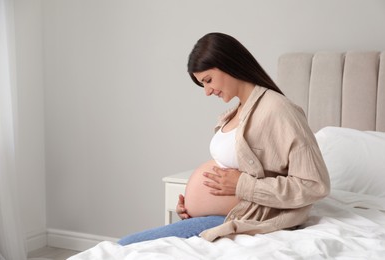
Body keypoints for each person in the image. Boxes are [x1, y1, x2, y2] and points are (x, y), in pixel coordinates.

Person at [118, 32, 330, 245]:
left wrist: (242, 185)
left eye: (208, 80)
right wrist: (193, 206)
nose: (207, 92)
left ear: (228, 64)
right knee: (126, 247)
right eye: (202, 84)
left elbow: (315, 185)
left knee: (126, 246)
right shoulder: (236, 111)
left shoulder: (278, 109)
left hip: (243, 217)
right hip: (215, 216)